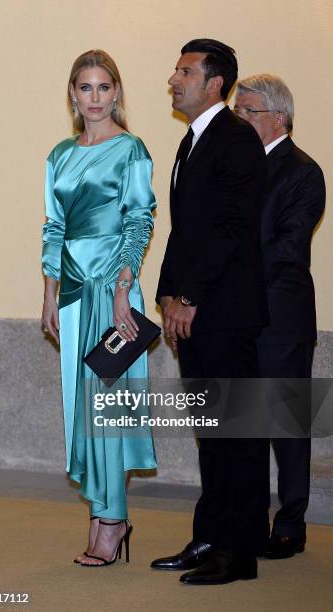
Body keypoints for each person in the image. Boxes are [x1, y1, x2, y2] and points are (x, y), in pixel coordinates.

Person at [151, 39, 270, 585]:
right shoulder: (190, 141)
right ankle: (210, 536)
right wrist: (167, 295)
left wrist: (191, 298)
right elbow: (184, 231)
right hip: (194, 310)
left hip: (224, 313)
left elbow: (230, 231)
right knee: (211, 431)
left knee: (237, 434)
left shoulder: (237, 139)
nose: (174, 79)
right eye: (176, 70)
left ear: (215, 82)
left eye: (184, 71)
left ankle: (238, 552)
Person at [41, 49, 157, 567]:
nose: (94, 98)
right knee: (80, 409)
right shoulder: (58, 156)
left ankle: (111, 521)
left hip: (115, 292)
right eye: (84, 88)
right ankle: (103, 512)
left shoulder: (131, 149)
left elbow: (140, 221)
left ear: (117, 92)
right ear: (72, 93)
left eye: (103, 88)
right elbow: (53, 228)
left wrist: (121, 286)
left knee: (107, 406)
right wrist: (49, 293)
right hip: (70, 295)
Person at [234, 75, 325, 559]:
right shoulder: (236, 167)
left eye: (247, 110)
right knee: (241, 420)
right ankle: (246, 517)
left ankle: (291, 522)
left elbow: (287, 248)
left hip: (280, 317)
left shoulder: (304, 171)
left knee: (286, 423)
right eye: (238, 109)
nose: (239, 118)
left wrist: (232, 279)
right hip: (237, 316)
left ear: (278, 118)